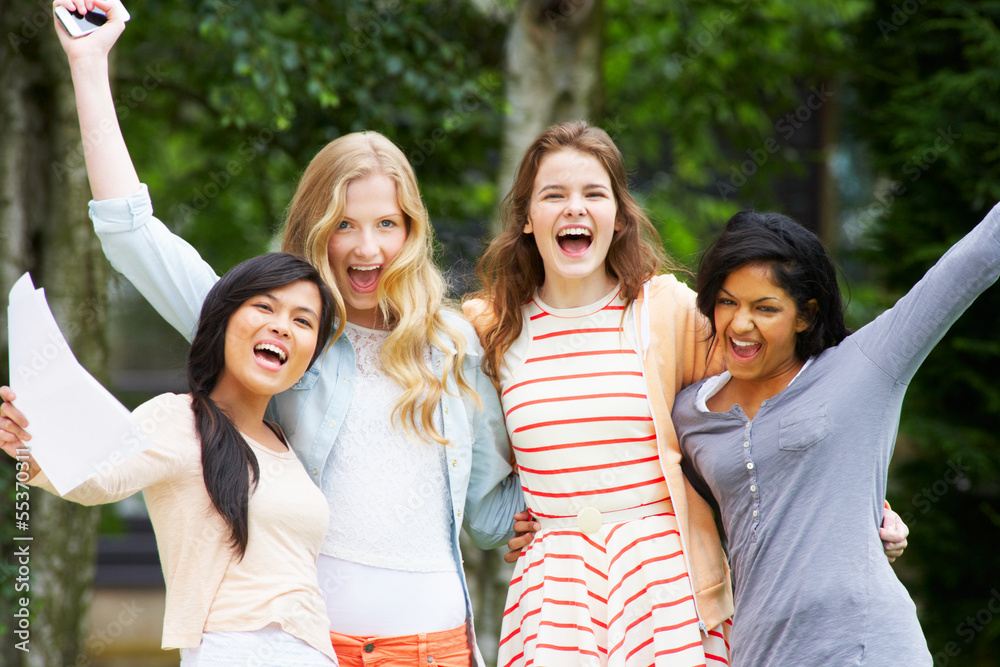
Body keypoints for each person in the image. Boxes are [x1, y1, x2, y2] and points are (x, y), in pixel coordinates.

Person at [19, 1, 525, 664]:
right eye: (345, 224)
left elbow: (492, 515)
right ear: (316, 227)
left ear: (411, 230)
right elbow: (131, 235)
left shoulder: (454, 343)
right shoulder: (278, 331)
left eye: (386, 224)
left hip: (442, 647)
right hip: (309, 647)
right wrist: (89, 66)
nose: (367, 247)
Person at [465, 121, 911, 667]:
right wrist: (530, 512)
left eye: (593, 194)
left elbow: (774, 402)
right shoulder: (488, 328)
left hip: (665, 588)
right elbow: (479, 474)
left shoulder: (666, 310)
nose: (574, 208)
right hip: (555, 599)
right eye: (553, 195)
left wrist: (866, 504)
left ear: (619, 217)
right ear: (527, 220)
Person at [672, 205, 1000, 665]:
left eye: (765, 308)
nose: (740, 324)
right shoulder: (690, 414)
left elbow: (974, 259)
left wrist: (868, 518)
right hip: (758, 653)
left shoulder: (866, 366)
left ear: (805, 315)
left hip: (868, 647)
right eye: (728, 302)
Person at [2, 253, 339, 665]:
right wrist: (29, 454)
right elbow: (99, 478)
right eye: (265, 307)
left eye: (303, 321)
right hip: (236, 649)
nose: (282, 327)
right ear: (224, 320)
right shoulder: (180, 419)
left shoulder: (284, 441)